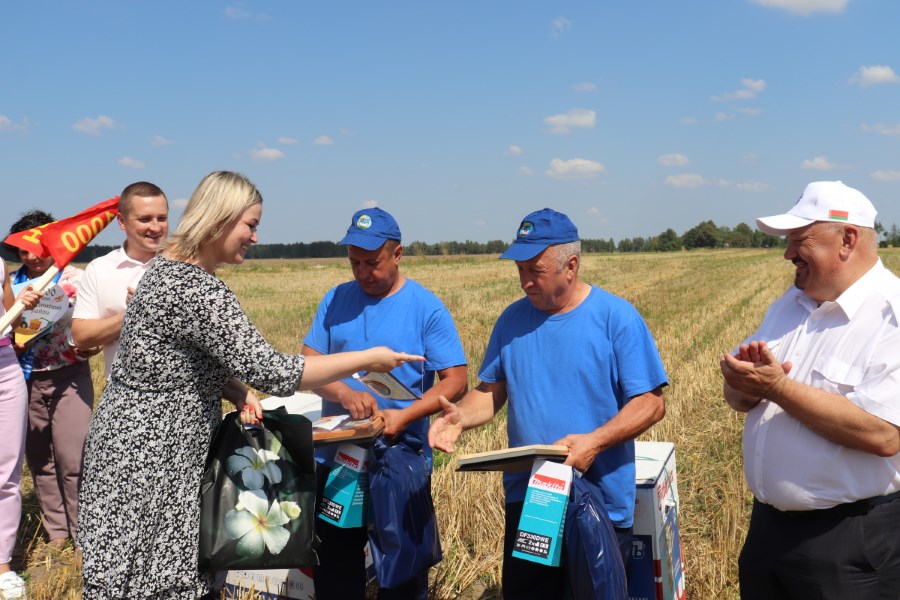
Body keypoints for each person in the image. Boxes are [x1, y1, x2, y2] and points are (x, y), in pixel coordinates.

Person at [76, 171, 423, 600]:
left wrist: (236, 391)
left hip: (129, 449)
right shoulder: (198, 290)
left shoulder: (163, 270)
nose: (255, 237)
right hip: (156, 461)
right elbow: (274, 371)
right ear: (222, 218)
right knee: (159, 584)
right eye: (251, 224)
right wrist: (369, 358)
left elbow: (179, 359)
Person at [429, 208, 668, 598]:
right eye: (520, 270)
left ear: (570, 266)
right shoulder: (511, 321)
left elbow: (651, 403)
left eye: (535, 270)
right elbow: (490, 392)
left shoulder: (616, 319)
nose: (525, 281)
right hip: (533, 501)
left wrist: (595, 442)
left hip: (599, 502)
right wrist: (461, 418)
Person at [720, 180, 900, 599]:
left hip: (849, 544)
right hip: (768, 533)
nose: (788, 254)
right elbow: (740, 396)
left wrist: (778, 388)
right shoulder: (789, 304)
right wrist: (743, 388)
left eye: (799, 240)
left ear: (847, 240)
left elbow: (884, 434)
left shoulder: (891, 316)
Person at [302, 207, 468, 600]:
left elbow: (456, 379)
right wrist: (344, 394)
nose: (362, 273)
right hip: (338, 460)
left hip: (399, 458)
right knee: (336, 568)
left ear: (397, 255)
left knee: (402, 572)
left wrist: (405, 416)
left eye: (372, 263)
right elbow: (308, 363)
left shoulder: (426, 308)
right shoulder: (335, 300)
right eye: (354, 263)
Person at [4, 211, 99, 560]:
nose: (31, 257)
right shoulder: (10, 284)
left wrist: (91, 346)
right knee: (40, 460)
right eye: (23, 251)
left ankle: (84, 535)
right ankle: (56, 533)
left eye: (38, 248)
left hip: (69, 376)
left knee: (74, 458)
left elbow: (95, 325)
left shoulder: (77, 278)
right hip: (24, 380)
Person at [71, 181, 169, 377]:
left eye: (162, 218)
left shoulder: (188, 265)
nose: (156, 227)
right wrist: (133, 312)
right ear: (122, 222)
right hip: (122, 389)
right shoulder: (100, 269)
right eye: (145, 219)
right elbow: (82, 337)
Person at [0, 257, 42, 600]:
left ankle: (2, 565)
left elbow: (15, 326)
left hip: (5, 370)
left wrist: (24, 306)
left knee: (7, 473)